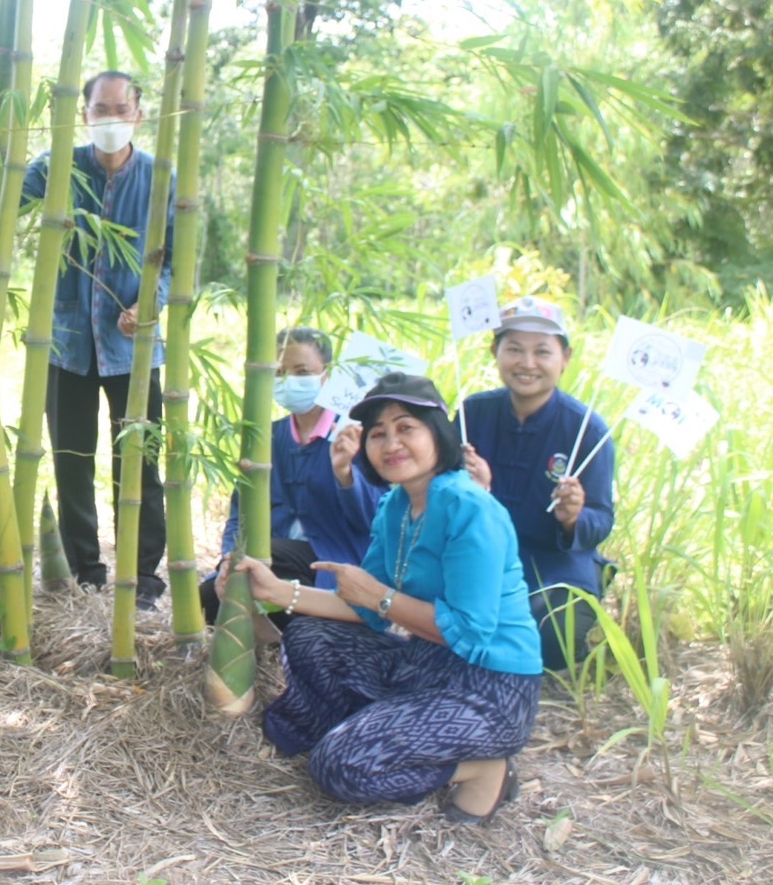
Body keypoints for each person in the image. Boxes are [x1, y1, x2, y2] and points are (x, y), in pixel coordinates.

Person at [232, 373, 543, 823]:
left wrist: (379, 597)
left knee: (339, 766)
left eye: (406, 428)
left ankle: (482, 768)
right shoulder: (395, 505)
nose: (390, 442)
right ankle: (380, 731)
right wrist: (279, 592)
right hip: (423, 663)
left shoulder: (470, 508)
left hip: (490, 688)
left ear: (438, 433)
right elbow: (363, 608)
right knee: (309, 635)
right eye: (377, 433)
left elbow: (469, 633)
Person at [21, 70, 174, 609]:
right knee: (71, 460)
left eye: (119, 109)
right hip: (65, 342)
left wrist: (149, 304)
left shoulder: (164, 180)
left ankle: (144, 577)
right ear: (82, 115)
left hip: (133, 350)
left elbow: (180, 262)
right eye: (99, 110)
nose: (109, 119)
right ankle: (86, 573)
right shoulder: (56, 168)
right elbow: (2, 201)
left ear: (140, 113)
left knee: (140, 461)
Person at [460, 296, 616, 671]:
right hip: (483, 556)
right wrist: (472, 490)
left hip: (554, 565)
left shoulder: (588, 430)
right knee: (454, 630)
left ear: (565, 358)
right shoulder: (472, 413)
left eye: (542, 352)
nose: (527, 364)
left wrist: (573, 516)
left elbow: (602, 518)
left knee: (552, 634)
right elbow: (439, 490)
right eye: (514, 349)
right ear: (495, 351)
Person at [200, 327, 381, 623]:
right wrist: (227, 560)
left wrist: (346, 474)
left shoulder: (352, 435)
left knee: (265, 563)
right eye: (280, 372)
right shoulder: (268, 436)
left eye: (302, 371)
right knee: (208, 600)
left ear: (329, 375)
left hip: (329, 565)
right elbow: (239, 513)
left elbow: (373, 519)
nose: (288, 381)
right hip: (273, 567)